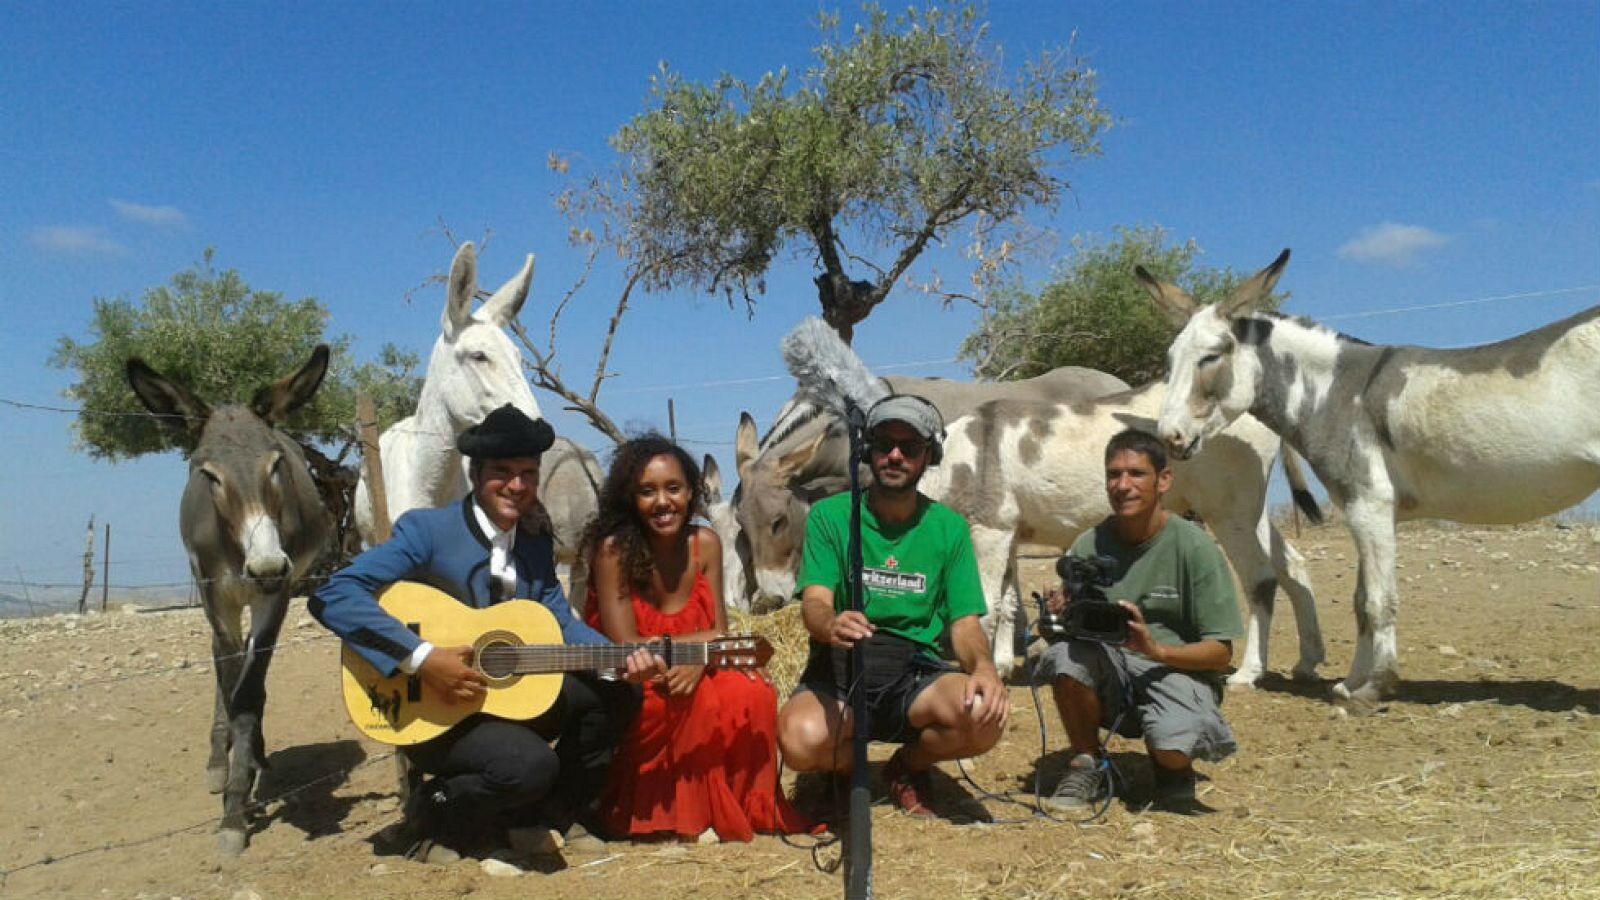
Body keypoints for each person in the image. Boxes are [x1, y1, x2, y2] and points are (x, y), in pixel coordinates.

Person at [311, 404, 660, 859]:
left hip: (505, 697)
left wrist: (620, 658)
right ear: (476, 474)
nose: (517, 486)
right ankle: (430, 812)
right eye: (503, 472)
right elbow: (333, 594)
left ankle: (549, 813)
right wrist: (421, 657)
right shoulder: (428, 531)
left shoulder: (534, 541)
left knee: (616, 694)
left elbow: (558, 622)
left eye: (529, 473)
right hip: (434, 708)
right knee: (532, 766)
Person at [777, 394, 1009, 819]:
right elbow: (814, 603)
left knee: (984, 717)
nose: (895, 456)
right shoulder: (831, 517)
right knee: (797, 741)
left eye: (911, 447)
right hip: (843, 670)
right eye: (885, 443)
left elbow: (965, 624)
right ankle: (847, 767)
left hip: (913, 675)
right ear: (868, 450)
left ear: (928, 457)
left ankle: (908, 765)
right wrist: (831, 625)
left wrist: (983, 668)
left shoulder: (949, 529)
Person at [580, 434, 811, 841]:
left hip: (697, 659)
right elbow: (626, 643)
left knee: (753, 692)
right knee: (687, 700)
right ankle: (679, 814)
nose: (663, 501)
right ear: (629, 498)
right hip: (635, 673)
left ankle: (741, 806)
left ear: (691, 492)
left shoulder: (704, 543)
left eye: (673, 488)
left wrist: (699, 658)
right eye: (647, 491)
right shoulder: (612, 550)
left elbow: (719, 631)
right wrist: (688, 654)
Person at [1038, 428, 1243, 813]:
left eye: (1136, 474)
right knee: (1064, 656)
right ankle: (1087, 762)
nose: (1123, 485)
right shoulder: (1088, 545)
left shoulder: (1193, 547)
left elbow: (1221, 652)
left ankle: (1171, 768)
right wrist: (1055, 618)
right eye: (1114, 475)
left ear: (1164, 481)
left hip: (1175, 668)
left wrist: (1156, 649)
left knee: (1171, 748)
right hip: (1111, 668)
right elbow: (1071, 639)